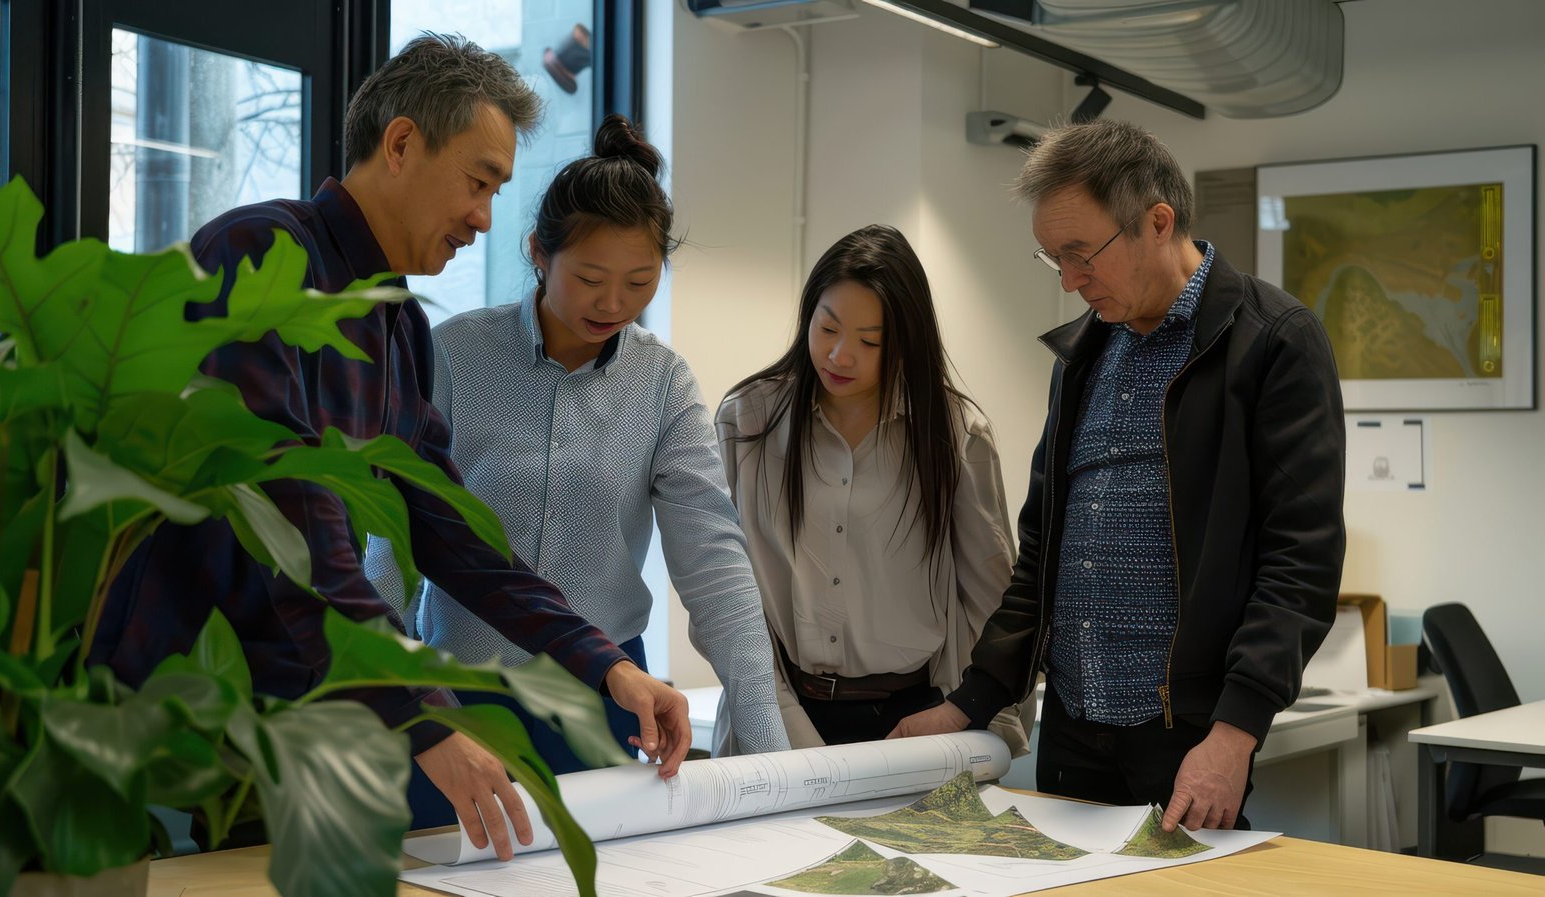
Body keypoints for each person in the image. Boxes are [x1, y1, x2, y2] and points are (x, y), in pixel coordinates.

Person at [90, 34, 690, 860]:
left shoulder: (398, 324)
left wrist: (606, 663)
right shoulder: (262, 255)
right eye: (478, 182)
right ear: (402, 143)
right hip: (169, 719)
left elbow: (452, 529)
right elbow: (291, 522)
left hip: (299, 723)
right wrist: (422, 716)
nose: (485, 217)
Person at [890, 119, 1345, 834]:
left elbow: (1301, 560)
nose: (1069, 281)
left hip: (1186, 734)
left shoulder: (1272, 342)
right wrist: (971, 701)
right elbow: (1041, 555)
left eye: (1081, 255)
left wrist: (1235, 733)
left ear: (1157, 222)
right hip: (1073, 724)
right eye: (1054, 260)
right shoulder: (1083, 358)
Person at [364, 114, 790, 766]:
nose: (613, 303)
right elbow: (391, 530)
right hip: (460, 692)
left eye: (640, 282)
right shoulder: (451, 355)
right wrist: (382, 688)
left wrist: (770, 750)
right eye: (590, 279)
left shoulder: (662, 383)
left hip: (604, 694)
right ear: (539, 252)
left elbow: (714, 563)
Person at [716, 224, 1031, 752]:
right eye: (827, 328)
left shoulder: (953, 433)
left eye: (869, 342)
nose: (840, 356)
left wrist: (986, 724)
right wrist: (787, 730)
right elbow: (724, 591)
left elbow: (991, 596)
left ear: (907, 344)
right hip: (782, 710)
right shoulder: (750, 422)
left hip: (916, 720)